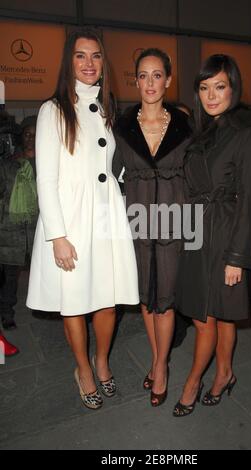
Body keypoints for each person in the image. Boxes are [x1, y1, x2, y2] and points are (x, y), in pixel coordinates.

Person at [26, 28, 139, 409]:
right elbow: (47, 177)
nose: (89, 64)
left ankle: (101, 361)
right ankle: (83, 369)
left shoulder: (110, 111)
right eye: (80, 56)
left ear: (103, 63)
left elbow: (116, 168)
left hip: (107, 216)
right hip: (72, 220)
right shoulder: (52, 110)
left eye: (95, 56)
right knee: (74, 303)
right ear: (68, 61)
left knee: (108, 302)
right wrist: (57, 235)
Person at [174, 54, 251, 417]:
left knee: (206, 319)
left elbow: (250, 201)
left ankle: (192, 382)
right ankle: (225, 373)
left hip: (225, 236)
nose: (212, 95)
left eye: (220, 87)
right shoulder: (202, 133)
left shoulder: (247, 135)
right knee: (221, 316)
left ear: (233, 88)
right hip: (198, 233)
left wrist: (237, 259)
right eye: (205, 87)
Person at [113, 48, 192, 406]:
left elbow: (198, 176)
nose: (149, 82)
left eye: (157, 75)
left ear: (168, 80)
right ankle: (157, 359)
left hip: (176, 220)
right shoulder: (122, 125)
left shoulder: (185, 124)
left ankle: (160, 365)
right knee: (147, 296)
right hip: (138, 219)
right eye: (143, 75)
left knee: (168, 297)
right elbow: (110, 175)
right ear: (136, 80)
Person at [0, 115, 38, 330]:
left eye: (35, 134)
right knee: (10, 277)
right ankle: (7, 312)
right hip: (10, 232)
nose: (31, 138)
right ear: (20, 136)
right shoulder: (7, 165)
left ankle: (45, 306)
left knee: (42, 272)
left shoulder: (47, 164)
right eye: (27, 134)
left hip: (37, 230)